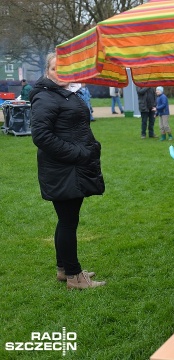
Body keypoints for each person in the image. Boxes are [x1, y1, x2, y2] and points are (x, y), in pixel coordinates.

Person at [30, 53, 106, 290]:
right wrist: (78, 153)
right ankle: (74, 276)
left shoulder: (63, 93)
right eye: (55, 69)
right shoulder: (45, 97)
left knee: (67, 220)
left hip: (72, 168)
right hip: (64, 169)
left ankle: (64, 269)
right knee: (68, 222)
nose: (61, 73)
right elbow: (41, 136)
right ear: (48, 71)